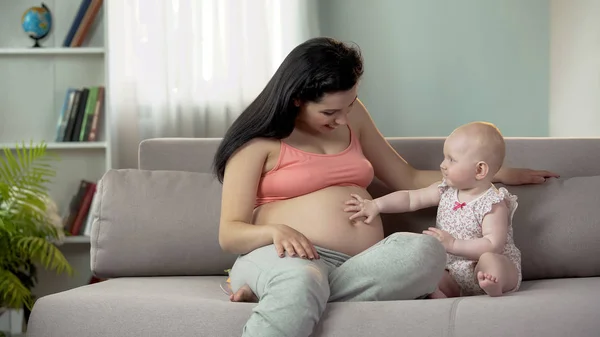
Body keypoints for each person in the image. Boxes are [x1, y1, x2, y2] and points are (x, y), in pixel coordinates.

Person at [212, 37, 558, 337]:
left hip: (359, 265)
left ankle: (282, 295)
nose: (344, 119)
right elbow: (230, 233)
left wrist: (492, 175)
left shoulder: (353, 115)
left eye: (350, 105)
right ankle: (287, 287)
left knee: (427, 252)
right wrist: (275, 231)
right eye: (331, 112)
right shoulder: (256, 144)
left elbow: (406, 179)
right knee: (302, 279)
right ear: (297, 99)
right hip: (284, 256)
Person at [345, 122, 522, 298]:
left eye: (451, 159)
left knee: (490, 260)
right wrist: (377, 205)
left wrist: (453, 245)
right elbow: (410, 198)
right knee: (429, 274)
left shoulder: (492, 203)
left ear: (480, 169)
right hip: (453, 270)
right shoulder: (445, 190)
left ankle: (493, 285)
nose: (442, 165)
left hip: (484, 265)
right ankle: (437, 293)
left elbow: (493, 244)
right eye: (444, 157)